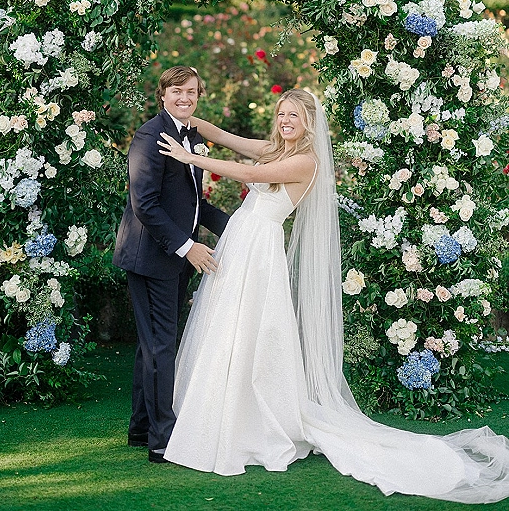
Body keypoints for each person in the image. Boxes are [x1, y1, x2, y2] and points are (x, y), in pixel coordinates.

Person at [157, 88, 509, 502]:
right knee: (226, 328)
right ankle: (214, 409)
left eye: (294, 115)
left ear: (309, 122)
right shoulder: (274, 148)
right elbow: (230, 139)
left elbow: (249, 175)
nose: (286, 120)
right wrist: (188, 121)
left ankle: (253, 419)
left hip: (259, 251)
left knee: (251, 329)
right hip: (242, 243)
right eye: (281, 113)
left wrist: (191, 158)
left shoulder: (306, 161)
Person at [113, 66, 229, 462]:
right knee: (162, 344)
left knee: (154, 344)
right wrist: (188, 247)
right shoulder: (149, 137)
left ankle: (142, 427)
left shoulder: (191, 135)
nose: (185, 98)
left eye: (192, 92)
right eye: (177, 91)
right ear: (162, 95)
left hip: (173, 256)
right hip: (151, 257)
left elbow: (193, 201)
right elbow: (144, 204)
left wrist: (237, 228)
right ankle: (162, 440)